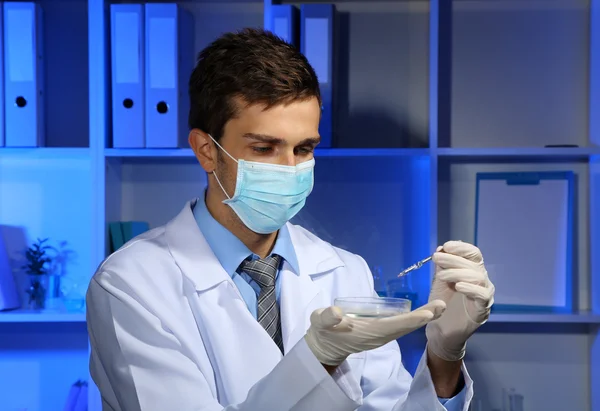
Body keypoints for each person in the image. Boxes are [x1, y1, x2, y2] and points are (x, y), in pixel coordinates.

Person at [86, 28, 495, 411]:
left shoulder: (344, 270)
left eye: (304, 149)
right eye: (265, 148)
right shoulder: (131, 284)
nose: (289, 168)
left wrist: (443, 357)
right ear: (206, 150)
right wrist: (316, 361)